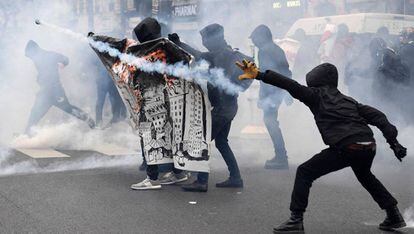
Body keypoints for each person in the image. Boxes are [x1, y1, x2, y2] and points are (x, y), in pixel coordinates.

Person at [236, 60, 407, 233]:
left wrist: (259, 75)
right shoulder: (349, 101)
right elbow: (379, 117)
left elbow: (290, 85)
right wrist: (394, 143)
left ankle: (296, 220)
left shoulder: (315, 95)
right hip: (368, 146)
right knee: (365, 176)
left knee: (305, 172)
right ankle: (394, 215)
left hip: (347, 146)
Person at [169, 24, 252, 192]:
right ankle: (236, 178)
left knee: (201, 140)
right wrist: (179, 43)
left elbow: (199, 55)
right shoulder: (222, 53)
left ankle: (201, 181)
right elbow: (200, 55)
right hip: (228, 107)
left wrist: (179, 43)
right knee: (221, 142)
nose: (204, 42)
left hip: (223, 108)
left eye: (205, 39)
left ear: (215, 38)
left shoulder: (223, 55)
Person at [129, 17, 188, 190]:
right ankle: (178, 172)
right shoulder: (167, 46)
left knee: (148, 137)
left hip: (153, 101)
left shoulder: (148, 50)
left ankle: (152, 178)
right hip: (169, 99)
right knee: (169, 137)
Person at [24, 40, 95, 134]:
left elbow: (65, 59)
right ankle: (27, 133)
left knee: (67, 108)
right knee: (35, 112)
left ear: (34, 51)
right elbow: (44, 74)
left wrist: (63, 63)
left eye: (31, 55)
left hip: (54, 91)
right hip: (46, 91)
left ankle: (89, 120)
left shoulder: (49, 55)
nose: (31, 58)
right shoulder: (38, 58)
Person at [250, 25, 292, 169]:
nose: (254, 42)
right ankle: (281, 156)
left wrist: (264, 97)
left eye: (255, 38)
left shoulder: (265, 51)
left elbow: (266, 75)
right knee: (271, 122)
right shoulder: (276, 49)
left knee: (271, 122)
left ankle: (281, 158)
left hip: (273, 92)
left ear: (262, 37)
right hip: (278, 91)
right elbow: (286, 71)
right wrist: (287, 91)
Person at [95, 61, 126, 128]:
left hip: (111, 81)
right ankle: (98, 123)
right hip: (102, 81)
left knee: (114, 100)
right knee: (100, 102)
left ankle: (115, 120)